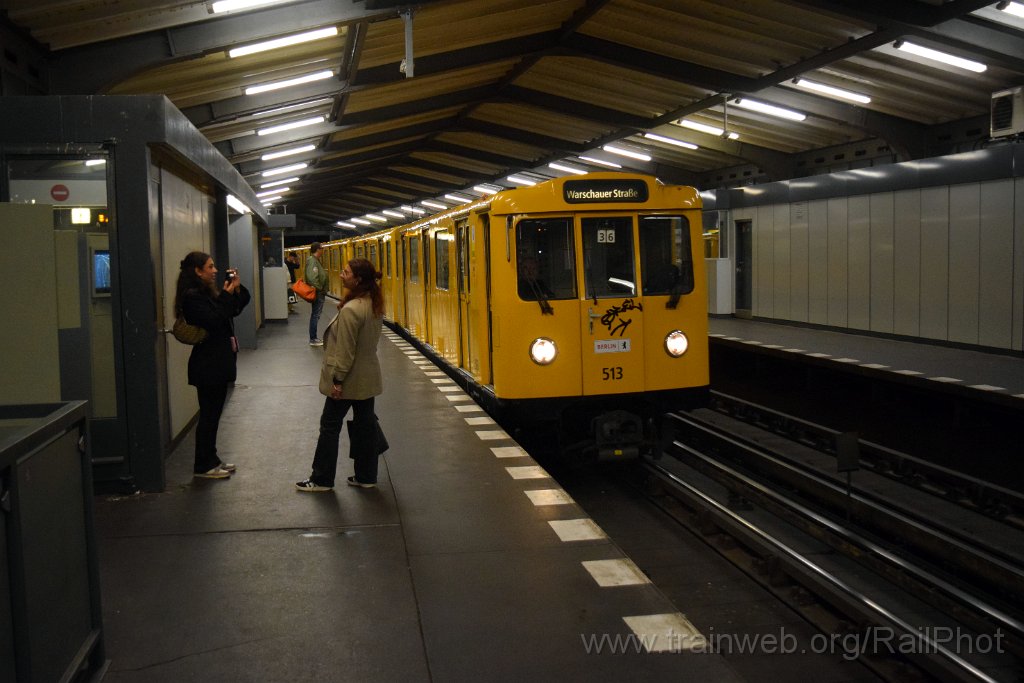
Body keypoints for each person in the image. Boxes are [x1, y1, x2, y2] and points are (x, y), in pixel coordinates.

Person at [296, 258, 384, 492]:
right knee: (365, 425)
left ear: (358, 279)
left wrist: (337, 381)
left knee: (329, 426)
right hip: (368, 376)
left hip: (348, 380)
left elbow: (345, 351)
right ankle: (367, 476)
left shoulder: (352, 310)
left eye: (346, 272)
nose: (341, 275)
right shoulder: (372, 304)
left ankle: (322, 479)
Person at [175, 251, 251, 479]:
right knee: (208, 416)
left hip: (216, 362)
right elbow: (214, 318)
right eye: (210, 267)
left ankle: (212, 459)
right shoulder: (192, 297)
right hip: (208, 365)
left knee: (214, 414)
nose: (215, 270)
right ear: (198, 271)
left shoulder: (206, 293)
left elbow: (233, 310)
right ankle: (203, 466)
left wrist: (236, 289)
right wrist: (226, 295)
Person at [305, 242, 329, 346]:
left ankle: (313, 338)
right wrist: (319, 288)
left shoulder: (315, 261)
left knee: (316, 315)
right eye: (321, 248)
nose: (322, 250)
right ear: (317, 249)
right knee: (315, 315)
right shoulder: (312, 261)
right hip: (318, 292)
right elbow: (312, 277)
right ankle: (313, 338)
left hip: (319, 292)